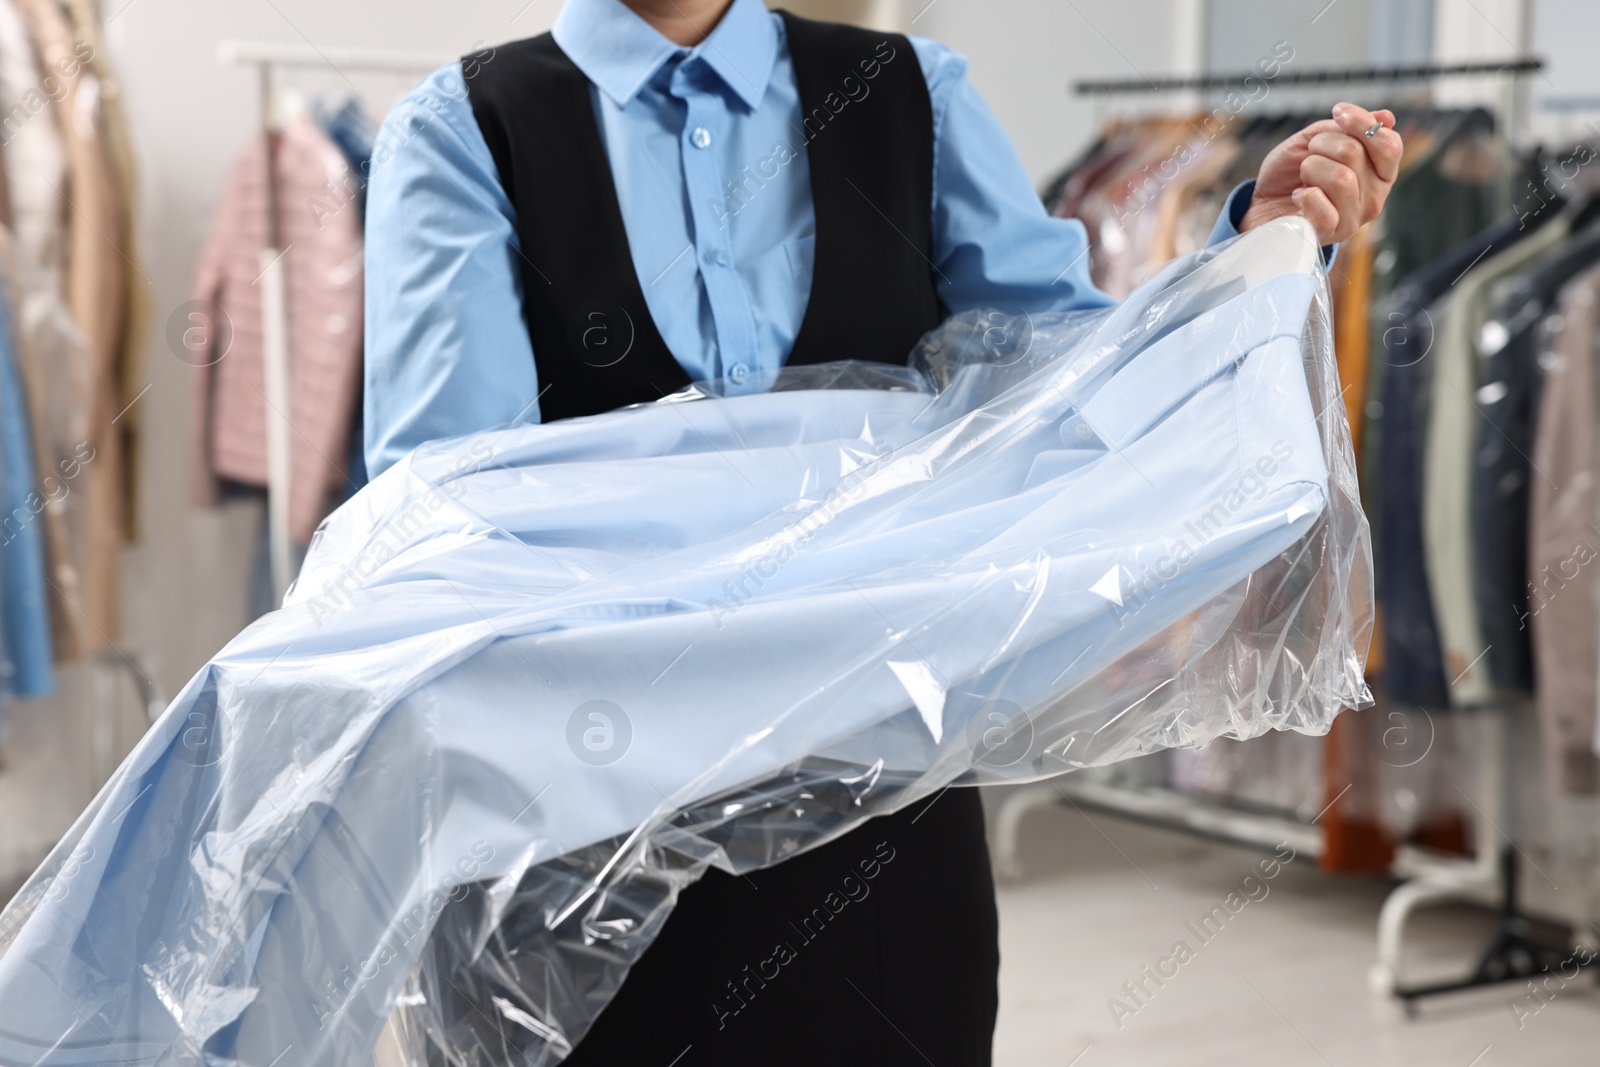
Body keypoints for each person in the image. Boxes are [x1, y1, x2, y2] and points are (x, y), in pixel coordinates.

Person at [362, 0, 1400, 1062]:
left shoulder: (913, 98)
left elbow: (1077, 397)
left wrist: (1254, 256)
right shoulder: (467, 128)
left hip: (876, 824)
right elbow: (455, 519)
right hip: (582, 847)